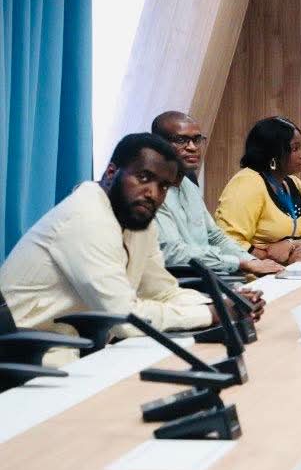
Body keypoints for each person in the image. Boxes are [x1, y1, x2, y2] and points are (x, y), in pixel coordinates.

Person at [0, 134, 252, 356]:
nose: (153, 193)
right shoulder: (86, 218)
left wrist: (225, 303)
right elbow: (123, 319)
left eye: (163, 186)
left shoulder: (137, 219)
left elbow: (162, 292)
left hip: (82, 347)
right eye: (144, 178)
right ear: (111, 173)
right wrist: (211, 314)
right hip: (32, 354)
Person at [151, 111, 283, 277]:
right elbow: (173, 253)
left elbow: (215, 237)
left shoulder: (188, 185)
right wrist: (241, 263)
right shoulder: (150, 191)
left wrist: (253, 261)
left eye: (197, 140)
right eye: (181, 140)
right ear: (157, 145)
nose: (192, 147)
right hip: (178, 281)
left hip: (209, 274)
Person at [214, 116, 301, 265]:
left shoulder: (294, 183)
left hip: (287, 271)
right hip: (250, 273)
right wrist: (272, 256)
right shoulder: (247, 183)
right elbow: (229, 241)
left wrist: (291, 245)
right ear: (273, 154)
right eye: (294, 149)